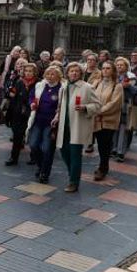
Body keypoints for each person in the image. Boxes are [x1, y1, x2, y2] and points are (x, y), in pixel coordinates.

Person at [56, 62, 100, 193]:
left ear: (81, 73)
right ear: (67, 73)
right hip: (64, 126)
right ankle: (73, 174)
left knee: (75, 155)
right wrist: (56, 117)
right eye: (71, 71)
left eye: (76, 71)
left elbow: (97, 105)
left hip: (78, 126)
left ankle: (73, 181)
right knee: (64, 152)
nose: (74, 73)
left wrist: (85, 107)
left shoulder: (87, 87)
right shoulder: (63, 87)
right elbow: (60, 106)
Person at [28, 65, 63, 184]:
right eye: (48, 74)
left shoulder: (61, 88)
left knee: (47, 148)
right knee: (33, 145)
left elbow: (61, 106)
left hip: (51, 123)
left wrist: (57, 116)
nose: (50, 76)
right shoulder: (40, 85)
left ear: (58, 76)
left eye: (53, 74)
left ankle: (45, 173)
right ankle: (40, 165)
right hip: (38, 120)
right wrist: (32, 103)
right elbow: (32, 96)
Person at [92, 62, 123, 181]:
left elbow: (114, 104)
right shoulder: (97, 83)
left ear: (113, 70)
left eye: (108, 68)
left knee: (105, 145)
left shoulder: (117, 85)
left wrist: (99, 111)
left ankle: (103, 168)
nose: (105, 70)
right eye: (103, 68)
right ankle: (103, 165)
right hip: (96, 119)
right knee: (100, 145)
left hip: (108, 120)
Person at [5, 62, 36, 166]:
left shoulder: (38, 83)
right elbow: (13, 97)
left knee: (32, 136)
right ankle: (13, 158)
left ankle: (34, 157)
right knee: (17, 136)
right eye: (26, 71)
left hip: (32, 113)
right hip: (18, 113)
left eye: (30, 71)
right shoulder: (19, 82)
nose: (28, 73)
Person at [112, 57, 137, 162]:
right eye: (117, 65)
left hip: (125, 106)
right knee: (115, 129)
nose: (119, 66)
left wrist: (128, 86)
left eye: (121, 65)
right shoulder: (113, 76)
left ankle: (121, 152)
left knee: (123, 130)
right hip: (114, 106)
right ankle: (114, 149)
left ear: (126, 66)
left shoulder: (131, 77)